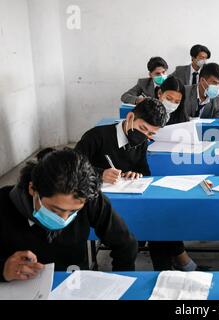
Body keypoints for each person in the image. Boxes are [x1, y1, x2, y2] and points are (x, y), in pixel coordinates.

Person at [75, 99, 199, 271]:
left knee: (158, 219)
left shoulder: (141, 142)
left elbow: (144, 171)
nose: (144, 136)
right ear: (131, 117)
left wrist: (136, 174)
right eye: (142, 128)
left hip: (129, 197)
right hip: (100, 204)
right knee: (147, 225)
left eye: (150, 134)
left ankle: (162, 273)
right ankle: (176, 263)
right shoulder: (96, 136)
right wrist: (99, 173)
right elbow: (72, 169)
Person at [0, 148, 138, 282]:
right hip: (20, 287)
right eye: (54, 210)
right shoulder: (4, 204)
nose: (63, 220)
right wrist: (4, 269)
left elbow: (125, 243)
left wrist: (121, 282)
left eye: (73, 211)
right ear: (33, 189)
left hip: (73, 284)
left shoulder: (89, 199)